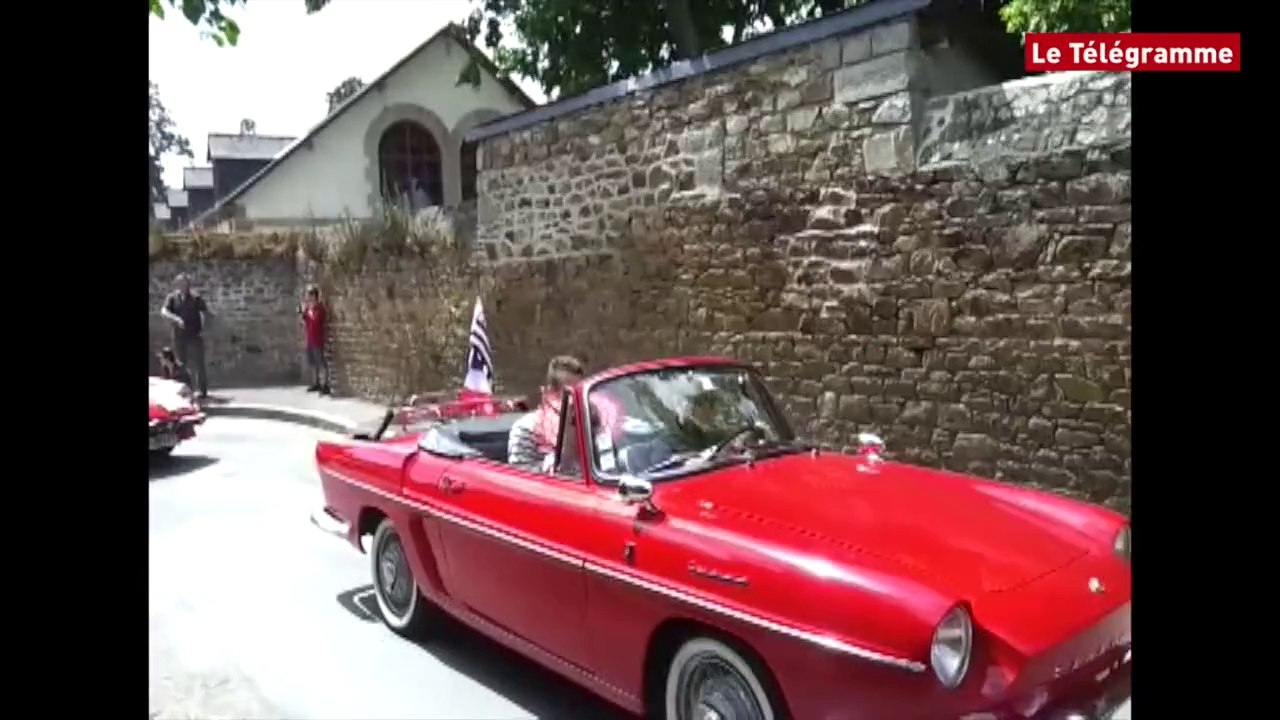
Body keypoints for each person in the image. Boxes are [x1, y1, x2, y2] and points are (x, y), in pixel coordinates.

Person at [508, 356, 585, 470]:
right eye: (568, 394)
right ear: (550, 393)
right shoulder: (526, 429)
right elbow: (521, 477)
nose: (575, 401)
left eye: (579, 393)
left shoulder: (589, 426)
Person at [159, 273, 211, 398]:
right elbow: (164, 311)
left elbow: (205, 313)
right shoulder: (172, 298)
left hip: (194, 335)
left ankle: (202, 391)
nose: (182, 286)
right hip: (179, 336)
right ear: (176, 285)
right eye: (180, 283)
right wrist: (176, 319)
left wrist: (204, 329)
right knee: (181, 364)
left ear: (188, 285)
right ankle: (185, 389)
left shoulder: (195, 298)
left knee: (199, 363)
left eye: (185, 283)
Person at [300, 285, 330, 394]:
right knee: (312, 362)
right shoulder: (308, 309)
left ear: (314, 296)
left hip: (318, 339)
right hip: (310, 339)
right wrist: (303, 312)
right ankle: (315, 383)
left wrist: (308, 311)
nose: (308, 298)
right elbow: (305, 320)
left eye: (309, 295)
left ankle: (325, 384)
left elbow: (317, 320)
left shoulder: (320, 308)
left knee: (321, 362)